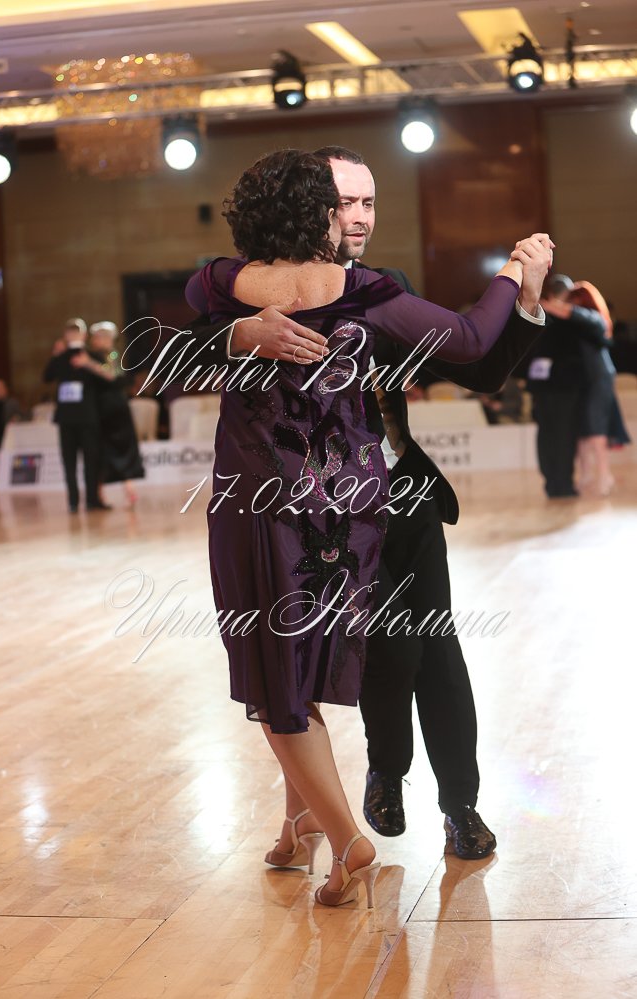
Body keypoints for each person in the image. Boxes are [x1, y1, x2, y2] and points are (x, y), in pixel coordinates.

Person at [185, 148, 527, 906]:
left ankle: (438, 810)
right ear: (317, 209)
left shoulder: (237, 283)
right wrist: (510, 278)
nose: (360, 216)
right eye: (345, 202)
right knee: (310, 669)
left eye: (369, 202)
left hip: (364, 503)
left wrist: (522, 306)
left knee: (331, 665)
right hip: (338, 507)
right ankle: (320, 813)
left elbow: (475, 364)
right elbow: (174, 347)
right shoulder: (358, 294)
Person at [529, 275, 609, 499]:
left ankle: (554, 484)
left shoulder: (548, 315)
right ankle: (561, 485)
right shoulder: (572, 319)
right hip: (563, 385)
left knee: (548, 434)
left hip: (545, 384)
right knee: (561, 434)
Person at [42, 318, 114, 513]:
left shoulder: (91, 356)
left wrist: (88, 364)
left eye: (76, 331)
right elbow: (47, 377)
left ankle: (90, 499)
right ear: (66, 335)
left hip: (87, 417)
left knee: (90, 460)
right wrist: (55, 355)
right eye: (70, 332)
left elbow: (111, 378)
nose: (73, 335)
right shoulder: (61, 357)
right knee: (70, 461)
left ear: (83, 335)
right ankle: (74, 501)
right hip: (68, 418)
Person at [570, 281, 630, 496]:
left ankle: (604, 475)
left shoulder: (592, 318)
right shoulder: (584, 320)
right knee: (582, 429)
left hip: (598, 377)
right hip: (585, 378)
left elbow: (569, 312)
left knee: (597, 427)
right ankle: (586, 474)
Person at [89, 321, 145, 507]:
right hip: (101, 409)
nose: (102, 340)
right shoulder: (91, 357)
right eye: (99, 337)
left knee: (123, 447)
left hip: (118, 408)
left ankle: (129, 488)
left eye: (105, 337)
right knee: (101, 450)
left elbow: (117, 378)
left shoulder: (113, 356)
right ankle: (98, 494)